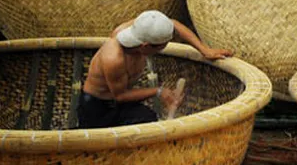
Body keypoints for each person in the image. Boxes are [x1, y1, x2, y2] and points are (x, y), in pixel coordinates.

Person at [78, 10, 233, 128]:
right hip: (96, 106)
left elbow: (174, 25)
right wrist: (159, 91)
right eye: (164, 44)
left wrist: (204, 50)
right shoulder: (114, 58)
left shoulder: (144, 27)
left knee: (148, 118)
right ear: (146, 46)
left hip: (119, 104)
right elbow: (120, 95)